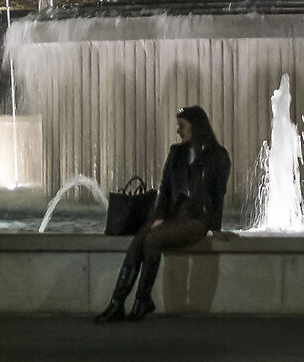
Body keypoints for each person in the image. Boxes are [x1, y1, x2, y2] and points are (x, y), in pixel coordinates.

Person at [95, 104, 231, 323]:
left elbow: (218, 194)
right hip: (172, 216)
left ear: (196, 127)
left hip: (196, 219)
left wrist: (215, 228)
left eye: (182, 126)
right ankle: (117, 302)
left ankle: (142, 300)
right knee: (139, 240)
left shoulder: (217, 156)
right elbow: (165, 190)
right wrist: (158, 216)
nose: (178, 131)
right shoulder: (176, 153)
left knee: (153, 238)